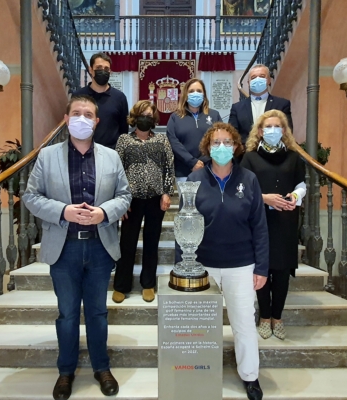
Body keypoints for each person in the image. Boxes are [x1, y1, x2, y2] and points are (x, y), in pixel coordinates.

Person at [22, 95, 132, 400]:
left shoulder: (112, 157)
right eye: (77, 113)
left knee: (97, 312)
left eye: (88, 114)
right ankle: (66, 371)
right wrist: (62, 211)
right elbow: (31, 197)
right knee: (67, 314)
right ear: (67, 118)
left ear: (96, 122)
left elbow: (124, 195)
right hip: (65, 248)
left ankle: (101, 367)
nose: (82, 118)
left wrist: (104, 213)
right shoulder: (47, 156)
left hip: (100, 247)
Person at [179, 122, 269, 400]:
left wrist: (262, 267)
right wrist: (180, 266)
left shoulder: (249, 180)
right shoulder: (194, 182)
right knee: (202, 325)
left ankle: (250, 377)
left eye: (227, 142)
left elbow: (260, 227)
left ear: (236, 146)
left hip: (241, 264)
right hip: (203, 264)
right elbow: (183, 227)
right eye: (216, 142)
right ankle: (200, 374)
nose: (221, 147)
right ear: (207, 147)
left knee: (243, 322)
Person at [241, 109, 306, 341]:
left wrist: (296, 197)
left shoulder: (293, 156)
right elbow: (243, 190)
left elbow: (301, 184)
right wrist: (264, 198)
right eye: (267, 127)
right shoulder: (249, 157)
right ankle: (264, 317)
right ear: (259, 131)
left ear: (284, 130)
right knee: (262, 271)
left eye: (277, 126)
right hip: (259, 220)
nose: (272, 130)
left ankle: (277, 317)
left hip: (285, 220)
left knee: (281, 271)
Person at [112, 100, 175, 303]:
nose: (146, 118)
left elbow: (169, 167)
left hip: (156, 199)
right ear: (135, 117)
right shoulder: (124, 140)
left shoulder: (162, 140)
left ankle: (148, 284)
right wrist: (120, 200)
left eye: (149, 114)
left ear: (154, 118)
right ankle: (122, 285)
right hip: (131, 200)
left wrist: (167, 193)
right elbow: (117, 170)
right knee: (127, 243)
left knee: (151, 241)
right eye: (142, 114)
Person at [166, 78, 222, 183]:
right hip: (184, 171)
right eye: (191, 91)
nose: (195, 94)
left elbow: (220, 140)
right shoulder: (175, 117)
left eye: (199, 91)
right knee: (188, 200)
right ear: (185, 95)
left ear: (204, 94)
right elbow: (173, 141)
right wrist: (192, 162)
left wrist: (202, 161)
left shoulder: (214, 115)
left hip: (210, 169)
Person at [73, 52, 129, 149]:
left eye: (106, 69)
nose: (103, 71)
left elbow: (124, 130)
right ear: (91, 70)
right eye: (99, 68)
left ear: (110, 71)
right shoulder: (78, 96)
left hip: (111, 153)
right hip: (83, 152)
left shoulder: (120, 97)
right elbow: (74, 124)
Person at [229, 64, 293, 146]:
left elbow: (287, 132)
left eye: (262, 76)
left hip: (274, 155)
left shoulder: (282, 104)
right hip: (246, 155)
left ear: (269, 80)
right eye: (253, 77)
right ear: (249, 83)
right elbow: (232, 135)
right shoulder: (237, 108)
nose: (257, 79)